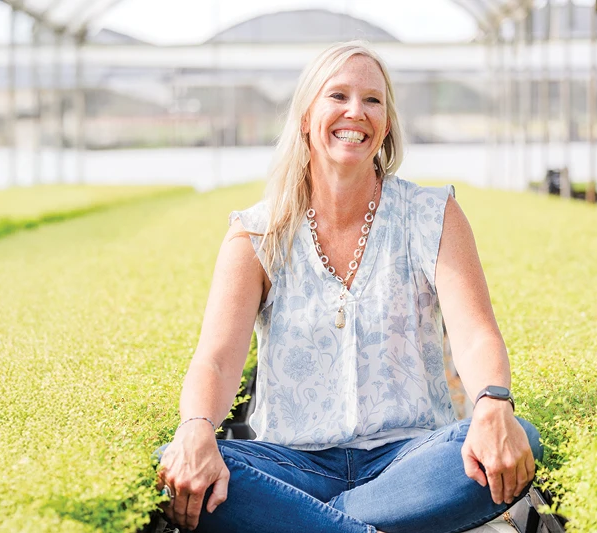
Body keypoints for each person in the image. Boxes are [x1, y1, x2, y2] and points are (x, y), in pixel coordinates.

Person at [154, 41, 543, 533]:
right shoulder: (256, 235)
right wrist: (195, 430)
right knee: (172, 463)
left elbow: (475, 334)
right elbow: (215, 358)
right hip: (294, 466)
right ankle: (360, 523)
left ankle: (304, 523)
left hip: (409, 461)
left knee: (519, 437)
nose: (356, 111)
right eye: (337, 96)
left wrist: (491, 404)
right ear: (305, 117)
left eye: (372, 100)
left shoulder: (432, 214)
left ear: (387, 123)